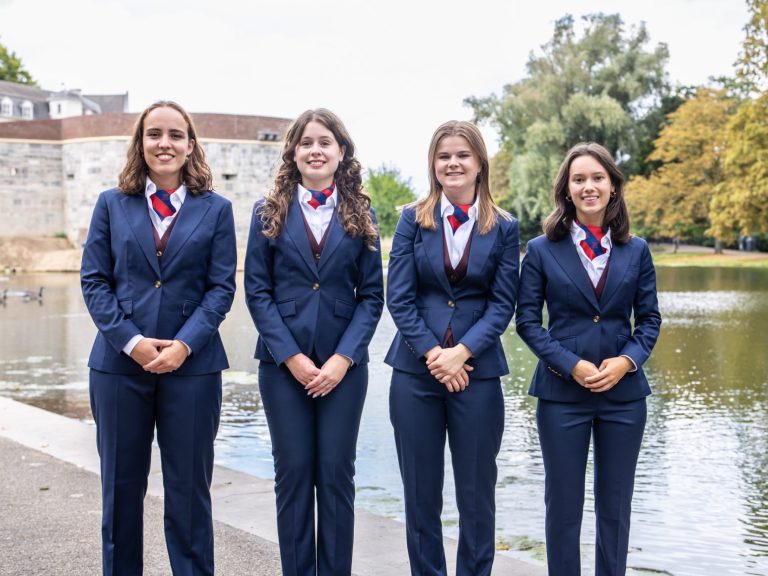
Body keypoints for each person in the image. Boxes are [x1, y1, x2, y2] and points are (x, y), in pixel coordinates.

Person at [81, 100, 237, 576]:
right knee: (120, 491)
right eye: (154, 134)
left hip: (194, 368)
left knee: (189, 493)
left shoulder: (217, 210)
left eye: (175, 134)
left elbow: (221, 288)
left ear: (191, 145)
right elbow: (94, 281)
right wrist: (133, 342)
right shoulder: (111, 204)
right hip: (118, 367)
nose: (164, 143)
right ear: (141, 143)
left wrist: (184, 345)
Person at [244, 108, 384, 576]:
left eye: (325, 142)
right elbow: (257, 292)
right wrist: (291, 357)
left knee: (337, 475)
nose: (316, 150)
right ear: (294, 152)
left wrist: (344, 358)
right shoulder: (267, 212)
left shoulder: (362, 213)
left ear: (341, 152)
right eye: (306, 142)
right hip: (282, 368)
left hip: (345, 370)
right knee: (293, 474)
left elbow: (372, 296)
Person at [515, 142, 662, 576]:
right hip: (562, 395)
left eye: (598, 178)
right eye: (578, 179)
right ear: (567, 189)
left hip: (624, 397)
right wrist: (571, 365)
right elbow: (527, 322)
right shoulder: (541, 249)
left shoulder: (637, 249)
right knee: (563, 506)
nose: (589, 187)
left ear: (613, 185)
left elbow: (649, 320)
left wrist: (627, 361)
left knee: (615, 508)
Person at [385, 120, 519, 576]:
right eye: (444, 156)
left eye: (463, 155)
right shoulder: (411, 218)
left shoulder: (504, 226)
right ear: (433, 164)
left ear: (480, 163)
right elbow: (399, 298)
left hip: (478, 375)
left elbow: (502, 304)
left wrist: (462, 353)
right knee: (420, 494)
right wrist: (433, 354)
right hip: (414, 374)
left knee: (477, 495)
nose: (453, 163)